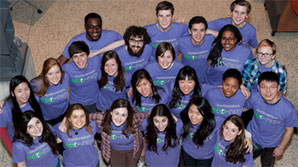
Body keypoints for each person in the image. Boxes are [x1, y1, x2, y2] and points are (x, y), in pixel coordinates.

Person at [244, 72, 297, 167]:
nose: (268, 91)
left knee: (267, 165)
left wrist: (281, 148)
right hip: (252, 137)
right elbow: (243, 108)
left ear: (278, 88)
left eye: (272, 86)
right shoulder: (255, 97)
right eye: (264, 87)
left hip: (272, 143)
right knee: (242, 161)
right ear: (258, 88)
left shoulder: (288, 109)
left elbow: (289, 130)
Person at [90, 98, 146, 166]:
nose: (119, 119)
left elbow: (150, 117)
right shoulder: (102, 118)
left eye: (123, 115)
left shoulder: (135, 117)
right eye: (116, 113)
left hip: (133, 150)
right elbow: (85, 117)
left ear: (128, 115)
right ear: (111, 112)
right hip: (115, 151)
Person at [57, 12, 122, 65]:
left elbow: (128, 41)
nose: (95, 30)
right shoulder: (76, 41)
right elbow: (60, 61)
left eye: (98, 27)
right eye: (91, 27)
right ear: (85, 27)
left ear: (101, 26)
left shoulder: (111, 35)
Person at [0, 75, 43, 153]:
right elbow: (2, 131)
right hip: (20, 143)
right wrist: (12, 150)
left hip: (38, 138)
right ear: (13, 93)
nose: (24, 94)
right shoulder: (5, 110)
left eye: (26, 89)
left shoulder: (36, 100)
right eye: (19, 91)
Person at [62, 41, 101, 113]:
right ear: (72, 58)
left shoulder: (96, 61)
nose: (79, 60)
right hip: (77, 105)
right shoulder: (67, 69)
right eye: (75, 56)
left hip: (96, 102)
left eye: (82, 55)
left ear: (88, 55)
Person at [180, 97, 219, 167]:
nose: (193, 116)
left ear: (205, 114)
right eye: (191, 111)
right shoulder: (184, 118)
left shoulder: (215, 122)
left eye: (198, 114)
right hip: (188, 153)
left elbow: (233, 124)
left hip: (205, 158)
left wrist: (245, 137)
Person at [31, 58, 69, 126]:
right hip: (48, 119)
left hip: (65, 113)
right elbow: (24, 95)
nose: (55, 77)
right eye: (50, 74)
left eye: (57, 72)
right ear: (45, 75)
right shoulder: (36, 85)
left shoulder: (65, 78)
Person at [178, 16, 214, 83]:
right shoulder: (181, 41)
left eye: (202, 30)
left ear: (206, 31)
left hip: (204, 81)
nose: (198, 34)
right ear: (189, 31)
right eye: (195, 30)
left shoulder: (210, 39)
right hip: (187, 81)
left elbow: (224, 35)